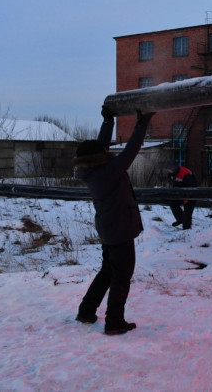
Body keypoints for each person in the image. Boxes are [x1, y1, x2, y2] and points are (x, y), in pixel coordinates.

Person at [73, 106, 154, 335]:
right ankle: (114, 321)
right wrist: (142, 124)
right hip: (119, 230)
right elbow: (130, 151)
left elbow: (100, 147)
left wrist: (108, 121)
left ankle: (86, 310)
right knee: (121, 277)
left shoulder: (93, 170)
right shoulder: (106, 172)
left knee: (108, 272)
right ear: (97, 158)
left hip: (110, 229)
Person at [168, 164, 198, 230]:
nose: (168, 171)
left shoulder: (185, 173)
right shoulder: (172, 174)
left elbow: (191, 187)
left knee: (187, 212)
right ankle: (180, 219)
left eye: (169, 170)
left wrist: (184, 196)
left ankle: (186, 230)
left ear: (173, 168)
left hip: (190, 195)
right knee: (173, 202)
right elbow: (173, 184)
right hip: (180, 195)